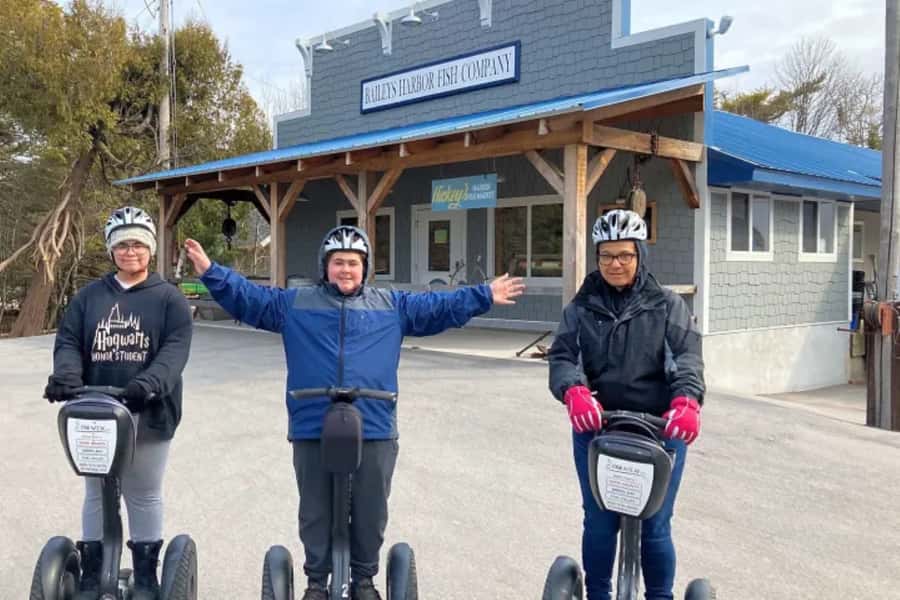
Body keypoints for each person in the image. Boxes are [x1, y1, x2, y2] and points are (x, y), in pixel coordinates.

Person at [183, 225, 524, 600]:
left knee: (370, 510)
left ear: (366, 268)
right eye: (338, 262)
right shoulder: (296, 303)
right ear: (325, 266)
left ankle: (363, 579)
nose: (346, 270)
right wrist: (210, 271)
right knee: (315, 510)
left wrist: (483, 295)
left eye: (354, 263)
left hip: (375, 423)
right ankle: (316, 581)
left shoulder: (392, 305)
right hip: (312, 422)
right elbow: (249, 298)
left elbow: (440, 308)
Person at [547, 209, 704, 600]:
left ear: (639, 256)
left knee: (655, 524)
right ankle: (598, 593)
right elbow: (563, 357)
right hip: (599, 427)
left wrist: (686, 401)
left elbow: (688, 357)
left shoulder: (667, 305)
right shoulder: (581, 308)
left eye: (625, 256)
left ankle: (659, 596)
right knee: (599, 522)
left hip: (661, 430)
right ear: (597, 258)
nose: (615, 264)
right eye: (607, 256)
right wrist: (573, 391)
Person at [44, 206, 193, 600]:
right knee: (96, 493)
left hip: (150, 412)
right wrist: (67, 378)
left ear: (151, 250)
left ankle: (145, 575)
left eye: (139, 244)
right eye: (123, 244)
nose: (131, 251)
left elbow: (175, 352)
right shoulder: (89, 297)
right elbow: (69, 342)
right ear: (112, 250)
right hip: (96, 410)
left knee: (142, 493)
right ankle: (93, 572)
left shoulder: (169, 299)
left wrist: (148, 383)